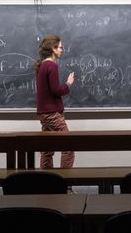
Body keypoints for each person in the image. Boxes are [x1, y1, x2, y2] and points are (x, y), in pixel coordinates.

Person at [34, 34, 75, 169]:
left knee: (47, 149)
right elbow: (55, 90)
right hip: (52, 113)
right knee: (68, 146)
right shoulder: (51, 66)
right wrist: (68, 84)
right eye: (60, 47)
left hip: (43, 113)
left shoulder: (41, 66)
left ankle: (48, 186)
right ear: (53, 48)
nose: (62, 50)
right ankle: (66, 186)